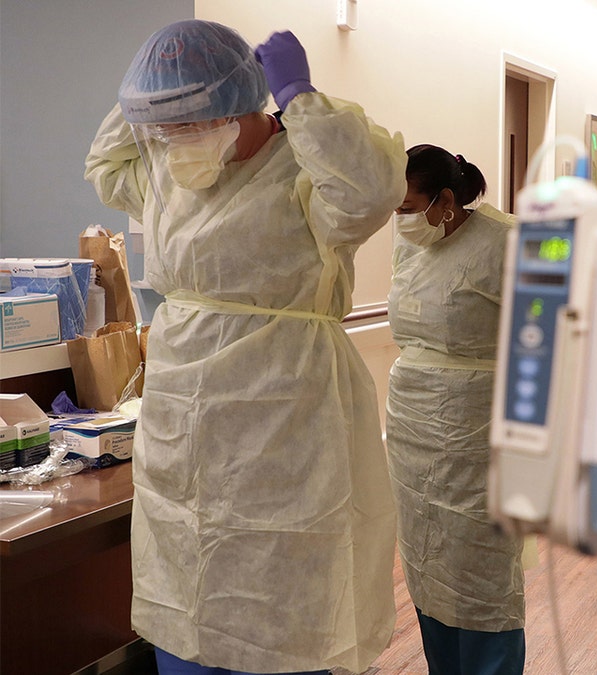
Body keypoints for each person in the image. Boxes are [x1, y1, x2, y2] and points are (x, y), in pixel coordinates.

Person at [83, 20, 406, 675]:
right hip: (181, 405)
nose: (173, 141)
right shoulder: (165, 166)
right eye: (163, 128)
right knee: (184, 569)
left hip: (285, 404)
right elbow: (104, 167)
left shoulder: (307, 163)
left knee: (283, 583)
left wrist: (300, 98)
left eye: (189, 123)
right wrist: (144, 100)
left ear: (239, 107)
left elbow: (371, 194)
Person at [386, 144, 525, 674]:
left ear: (445, 200)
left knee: (479, 568)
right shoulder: (412, 246)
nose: (400, 220)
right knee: (425, 559)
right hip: (411, 425)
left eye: (407, 207)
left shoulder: (505, 243)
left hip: (477, 425)